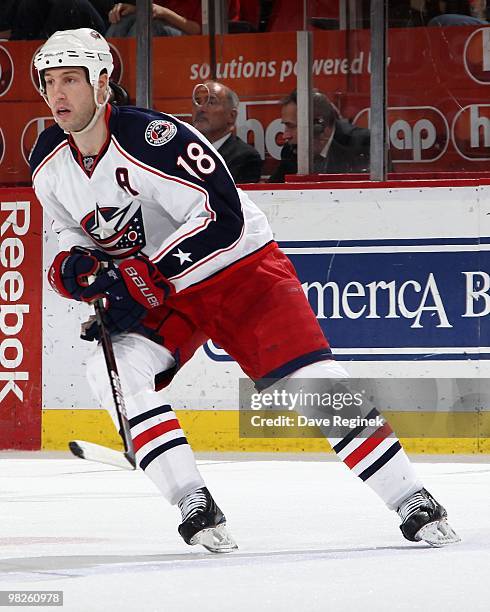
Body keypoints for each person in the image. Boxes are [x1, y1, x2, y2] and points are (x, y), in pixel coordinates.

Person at [31, 28, 459, 552]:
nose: (57, 94)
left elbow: (223, 217)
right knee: (112, 369)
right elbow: (69, 233)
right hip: (165, 292)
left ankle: (411, 497)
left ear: (103, 83)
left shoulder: (156, 138)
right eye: (49, 81)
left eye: (70, 79)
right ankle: (193, 500)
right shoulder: (49, 158)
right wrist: (77, 269)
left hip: (242, 271)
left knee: (315, 386)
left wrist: (142, 277)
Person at [268, 89, 371, 183]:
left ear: (319, 125)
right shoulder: (291, 151)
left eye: (291, 126)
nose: (285, 135)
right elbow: (271, 190)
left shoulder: (362, 144)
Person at [191, 81, 262, 184]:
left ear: (231, 116)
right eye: (197, 102)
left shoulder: (246, 157)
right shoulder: (185, 152)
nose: (200, 108)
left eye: (211, 102)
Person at [8, 0, 111, 40]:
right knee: (29, 4)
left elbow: (108, 10)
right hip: (45, 33)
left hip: (92, 34)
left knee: (68, 4)